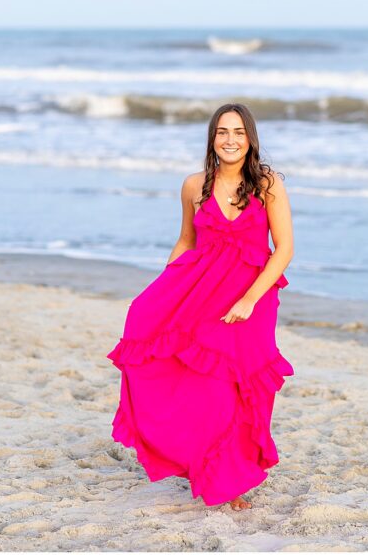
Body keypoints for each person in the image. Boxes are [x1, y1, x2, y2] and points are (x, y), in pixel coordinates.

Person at [106, 103, 294, 511]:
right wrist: (162, 290)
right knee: (206, 386)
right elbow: (187, 242)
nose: (230, 140)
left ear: (250, 140)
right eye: (222, 132)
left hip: (252, 296)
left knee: (241, 382)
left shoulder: (268, 184)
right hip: (201, 291)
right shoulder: (195, 186)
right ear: (212, 138)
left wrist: (249, 299)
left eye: (239, 132)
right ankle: (213, 471)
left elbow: (284, 250)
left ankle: (234, 475)